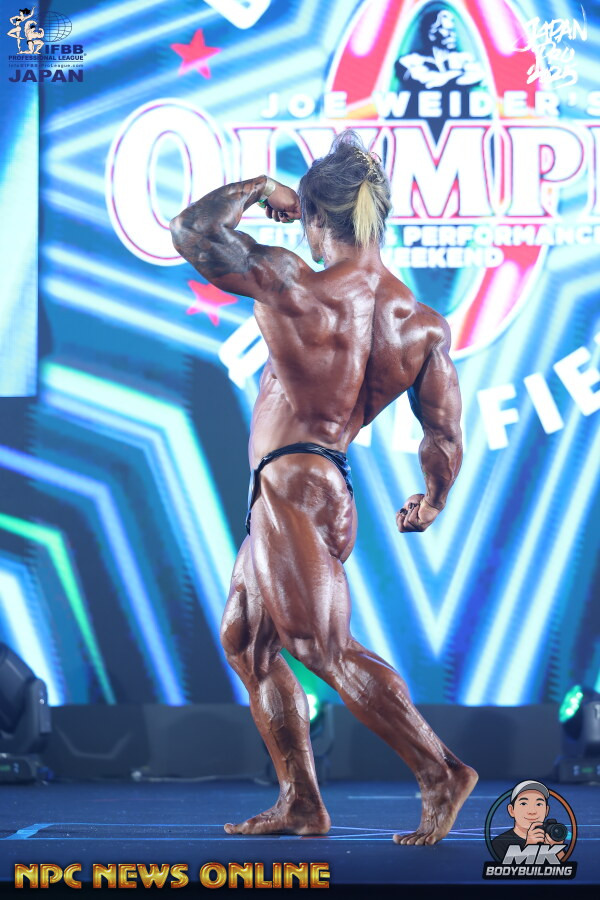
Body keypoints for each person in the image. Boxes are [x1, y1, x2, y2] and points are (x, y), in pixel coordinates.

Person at [169, 130, 478, 844]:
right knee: (247, 641)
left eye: (304, 216)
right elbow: (444, 433)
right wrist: (433, 499)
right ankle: (301, 802)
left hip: (292, 486)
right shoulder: (421, 325)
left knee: (321, 647)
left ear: (313, 217)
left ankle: (440, 771)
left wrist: (258, 188)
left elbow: (192, 230)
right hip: (324, 483)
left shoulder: (294, 285)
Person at [492, 781, 566, 861]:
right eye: (524, 804)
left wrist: (557, 849)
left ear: (546, 811)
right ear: (511, 810)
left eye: (539, 804)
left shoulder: (550, 838)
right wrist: (529, 847)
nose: (532, 811)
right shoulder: (500, 843)